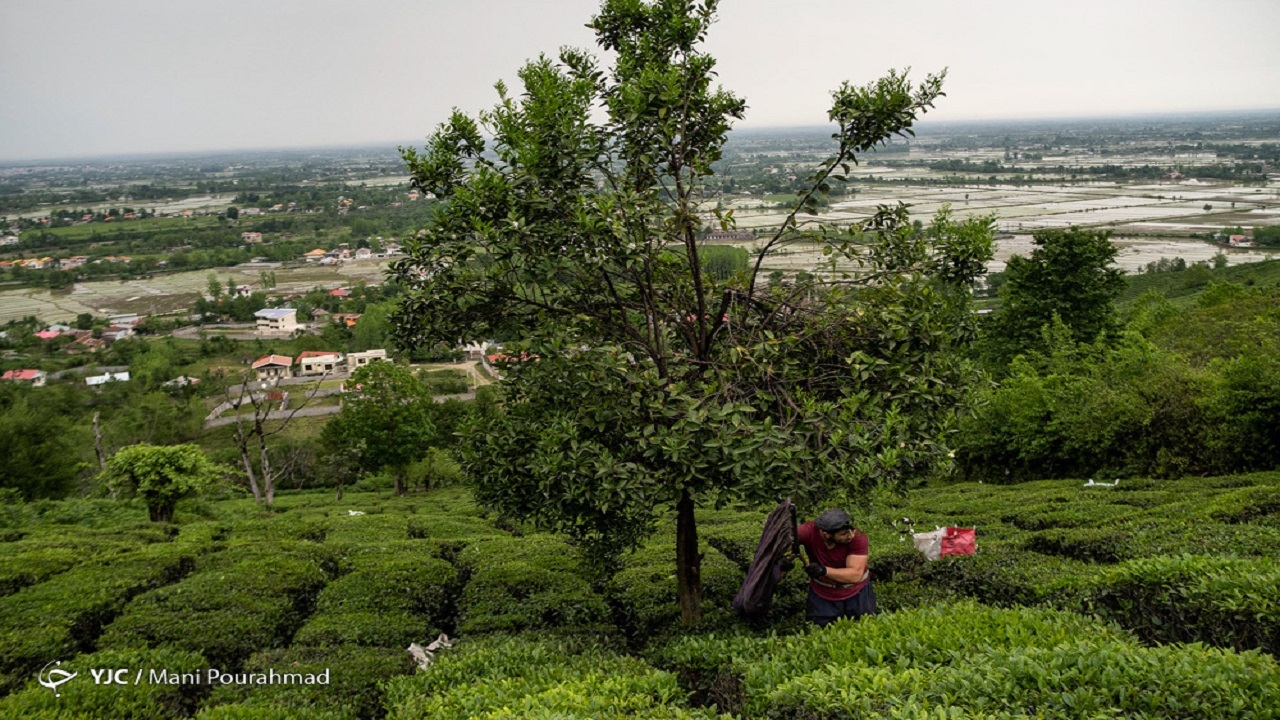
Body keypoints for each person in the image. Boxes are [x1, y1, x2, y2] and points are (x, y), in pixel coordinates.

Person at [794, 508, 876, 626]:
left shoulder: (858, 537)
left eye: (851, 530)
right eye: (843, 534)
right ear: (826, 534)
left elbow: (855, 575)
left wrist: (823, 570)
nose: (850, 535)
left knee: (864, 628)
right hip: (823, 594)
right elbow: (784, 538)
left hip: (857, 594)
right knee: (819, 631)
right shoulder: (810, 531)